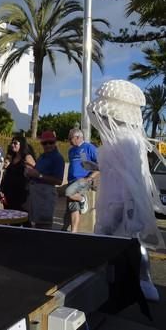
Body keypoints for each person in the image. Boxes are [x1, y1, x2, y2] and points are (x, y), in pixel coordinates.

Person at [87, 79, 165, 301]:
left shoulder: (120, 142)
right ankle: (142, 281)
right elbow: (125, 175)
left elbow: (125, 183)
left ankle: (136, 283)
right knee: (135, 244)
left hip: (119, 207)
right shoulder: (132, 140)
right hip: (126, 207)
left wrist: (110, 220)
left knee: (120, 248)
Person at [24, 130, 65, 230]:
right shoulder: (42, 156)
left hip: (46, 193)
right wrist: (30, 173)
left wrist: (39, 175)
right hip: (36, 192)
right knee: (37, 224)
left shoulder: (58, 158)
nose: (47, 145)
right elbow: (37, 172)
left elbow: (59, 181)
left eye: (50, 142)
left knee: (44, 225)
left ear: (54, 142)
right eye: (44, 143)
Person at [64, 128, 99, 233]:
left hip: (82, 180)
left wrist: (90, 178)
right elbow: (83, 163)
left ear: (78, 137)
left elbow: (100, 165)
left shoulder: (88, 148)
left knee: (68, 193)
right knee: (74, 207)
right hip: (72, 180)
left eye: (71, 138)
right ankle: (73, 232)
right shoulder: (72, 150)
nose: (69, 141)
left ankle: (83, 199)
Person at [0, 136, 36, 211]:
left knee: (22, 219)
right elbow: (7, 174)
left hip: (21, 196)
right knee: (10, 220)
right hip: (9, 196)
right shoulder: (12, 157)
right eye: (12, 143)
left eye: (15, 143)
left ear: (22, 144)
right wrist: (2, 191)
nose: (12, 145)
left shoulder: (27, 157)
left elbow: (34, 173)